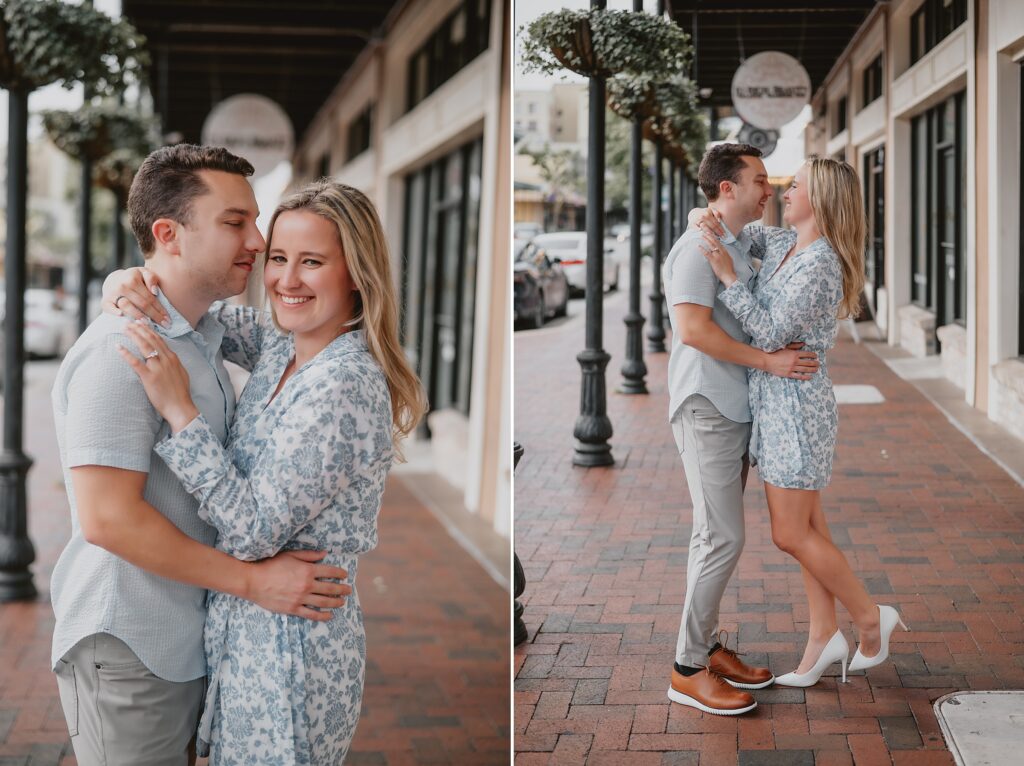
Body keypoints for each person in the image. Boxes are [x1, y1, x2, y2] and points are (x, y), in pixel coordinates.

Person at [104, 179, 427, 762]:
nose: (286, 280)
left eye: (312, 262)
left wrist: (180, 411)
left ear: (355, 272)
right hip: (247, 634)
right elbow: (195, 309)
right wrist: (126, 278)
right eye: (278, 258)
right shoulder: (286, 345)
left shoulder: (344, 383)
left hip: (292, 652)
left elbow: (253, 529)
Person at [50, 145, 352, 765]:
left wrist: (123, 279)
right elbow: (107, 520)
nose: (259, 241)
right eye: (235, 221)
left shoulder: (206, 333)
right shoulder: (122, 351)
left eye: (254, 220)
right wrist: (252, 582)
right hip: (131, 641)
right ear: (170, 234)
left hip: (188, 635)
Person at [690, 156, 908, 688]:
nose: (785, 192)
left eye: (798, 186)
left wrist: (726, 280)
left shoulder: (822, 265)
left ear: (822, 199)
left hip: (797, 406)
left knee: (790, 533)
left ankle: (869, 617)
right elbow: (739, 235)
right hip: (774, 401)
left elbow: (766, 333)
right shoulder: (786, 245)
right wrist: (705, 213)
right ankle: (821, 638)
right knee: (810, 529)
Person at [662, 143, 822, 715]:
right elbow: (693, 332)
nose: (769, 189)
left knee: (715, 537)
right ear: (727, 188)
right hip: (708, 406)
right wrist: (770, 362)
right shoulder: (695, 251)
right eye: (758, 180)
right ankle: (686, 668)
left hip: (735, 408)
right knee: (721, 537)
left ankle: (705, 647)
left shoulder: (735, 240)